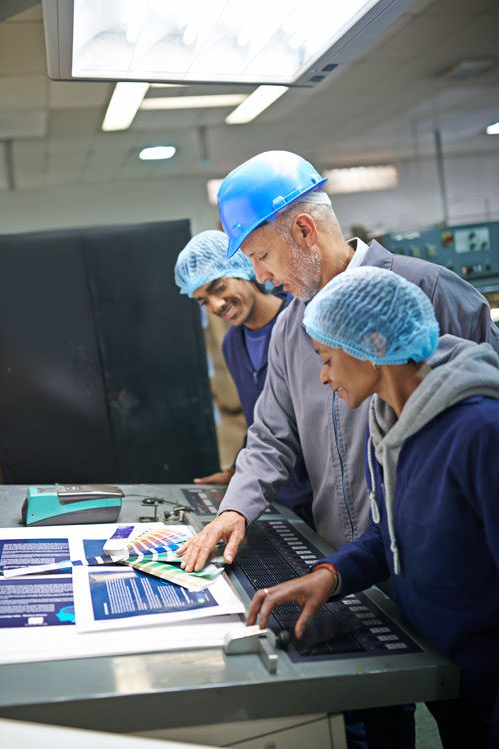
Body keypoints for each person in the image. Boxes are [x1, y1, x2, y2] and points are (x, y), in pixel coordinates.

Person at [178, 150, 499, 573]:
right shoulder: (290, 328)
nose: (260, 277)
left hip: (450, 569)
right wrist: (234, 510)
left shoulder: (429, 289)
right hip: (344, 563)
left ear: (305, 230)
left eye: (262, 256)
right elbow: (271, 435)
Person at [247, 266, 499, 749]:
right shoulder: (389, 424)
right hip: (444, 676)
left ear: (375, 346)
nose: (322, 377)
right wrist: (329, 575)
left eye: (326, 359)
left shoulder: (479, 431)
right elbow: (393, 536)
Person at [174, 229, 313, 519]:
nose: (215, 305)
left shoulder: (302, 322)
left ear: (243, 270)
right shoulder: (232, 344)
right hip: (276, 495)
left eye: (218, 288)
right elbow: (258, 419)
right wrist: (238, 471)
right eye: (203, 301)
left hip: (319, 491)